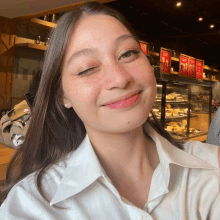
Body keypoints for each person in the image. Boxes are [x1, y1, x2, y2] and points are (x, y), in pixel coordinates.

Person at [0, 2, 219, 219]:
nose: (120, 79)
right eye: (87, 69)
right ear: (62, 95)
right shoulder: (31, 205)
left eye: (128, 53)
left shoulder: (212, 168)